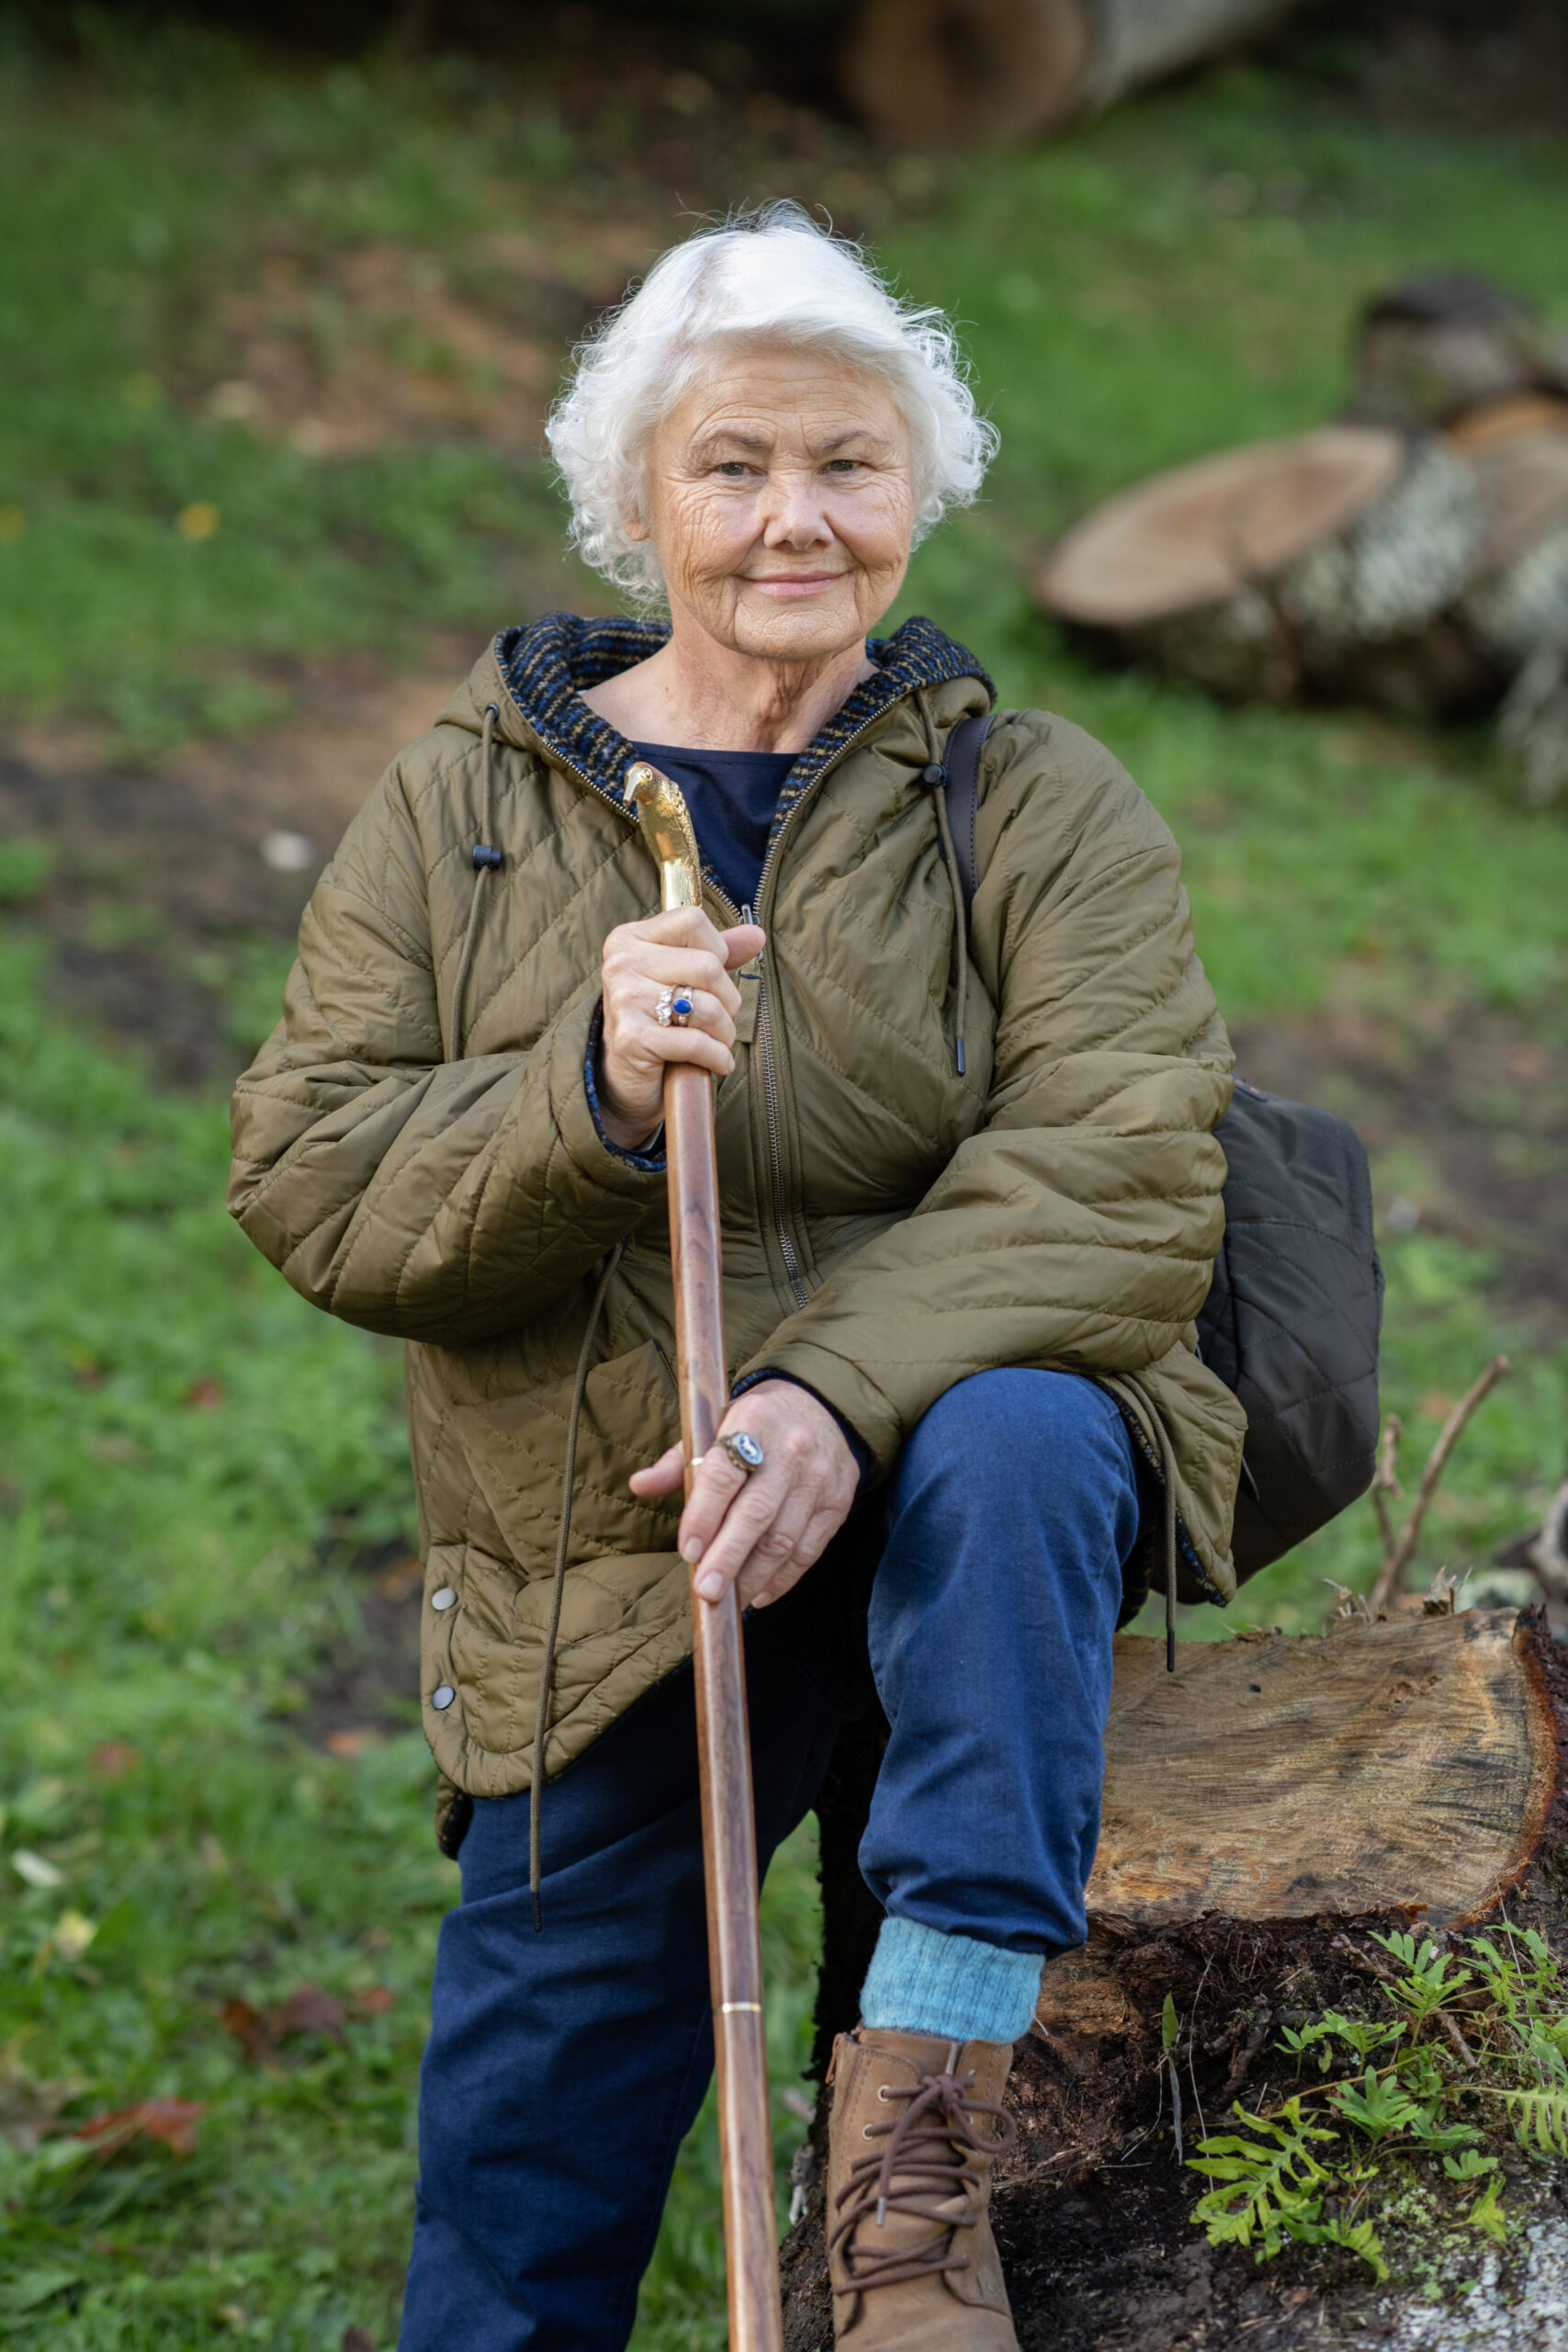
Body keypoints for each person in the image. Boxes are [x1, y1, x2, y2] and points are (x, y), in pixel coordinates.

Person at [229, 203, 1244, 2352]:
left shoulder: (1034, 801)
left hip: (970, 1533)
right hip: (606, 1534)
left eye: (847, 464)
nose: (797, 516)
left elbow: (1128, 1163)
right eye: (732, 466)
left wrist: (825, 1396)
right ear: (630, 502)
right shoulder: (460, 813)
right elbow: (312, 1179)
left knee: (1024, 1420)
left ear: (918, 489)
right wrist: (585, 1093)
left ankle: (921, 2148)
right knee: (529, 2168)